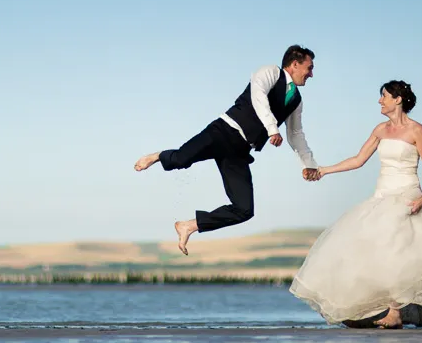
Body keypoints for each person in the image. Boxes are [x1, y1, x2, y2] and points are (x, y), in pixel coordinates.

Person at [289, 80, 422, 329]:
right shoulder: (380, 130)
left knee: (399, 251)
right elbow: (358, 159)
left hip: (407, 195)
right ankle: (376, 310)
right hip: (382, 196)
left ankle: (396, 312)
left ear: (398, 99)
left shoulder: (417, 130)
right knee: (372, 254)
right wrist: (323, 170)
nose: (380, 100)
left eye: (384, 96)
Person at [134, 45, 321, 255]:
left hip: (240, 152)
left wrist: (309, 165)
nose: (311, 74)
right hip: (223, 132)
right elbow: (257, 96)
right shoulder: (270, 72)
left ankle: (190, 225)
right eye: (309, 67)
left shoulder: (296, 100)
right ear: (295, 64)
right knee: (180, 159)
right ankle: (158, 156)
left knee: (244, 209)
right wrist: (271, 128)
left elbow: (296, 134)